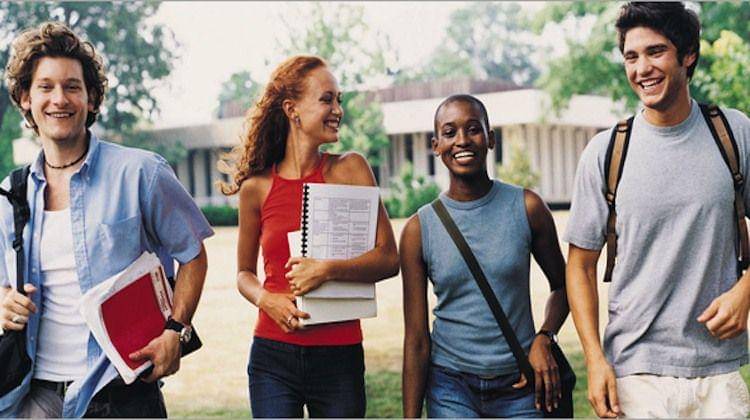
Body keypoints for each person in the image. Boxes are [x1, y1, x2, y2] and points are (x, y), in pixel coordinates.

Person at [0, 22, 213, 417]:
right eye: (45, 87)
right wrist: (3, 303)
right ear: (26, 98)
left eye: (72, 86)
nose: (59, 99)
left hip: (120, 394)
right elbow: (3, 285)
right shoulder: (10, 193)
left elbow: (193, 255)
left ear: (92, 98)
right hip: (33, 397)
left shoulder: (141, 173)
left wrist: (176, 331)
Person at [565, 2, 750, 418]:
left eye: (656, 52)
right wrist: (594, 359)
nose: (642, 68)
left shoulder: (733, 134)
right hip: (635, 372)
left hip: (718, 371)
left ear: (688, 55)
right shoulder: (606, 152)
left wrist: (746, 290)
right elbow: (580, 266)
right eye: (631, 57)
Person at [219, 55, 398, 418]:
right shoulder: (256, 188)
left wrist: (327, 270)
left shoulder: (351, 169)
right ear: (292, 110)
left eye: (339, 100)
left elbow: (389, 258)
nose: (338, 110)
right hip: (273, 356)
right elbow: (243, 274)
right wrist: (267, 300)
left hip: (339, 357)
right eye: (327, 99)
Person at [400, 94, 570, 418]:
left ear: (490, 139)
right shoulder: (418, 229)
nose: (462, 140)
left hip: (521, 382)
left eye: (473, 129)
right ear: (436, 146)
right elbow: (417, 339)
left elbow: (564, 286)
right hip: (450, 386)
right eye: (449, 132)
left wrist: (545, 337)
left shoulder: (527, 208)